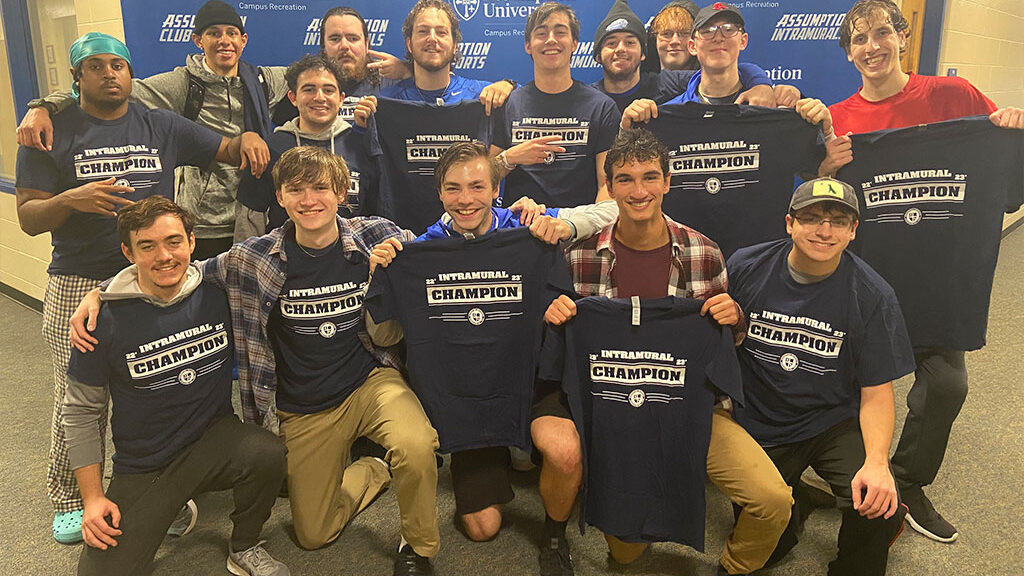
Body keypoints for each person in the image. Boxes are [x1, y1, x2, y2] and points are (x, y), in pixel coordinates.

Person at [73, 146, 441, 575]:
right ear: (280, 197)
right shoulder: (251, 259)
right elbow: (176, 269)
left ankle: (418, 546)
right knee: (314, 533)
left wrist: (401, 257)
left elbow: (440, 251)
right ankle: (374, 469)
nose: (309, 200)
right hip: (304, 405)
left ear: (341, 192)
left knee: (416, 444)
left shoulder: (376, 235)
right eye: (296, 190)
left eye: (320, 188)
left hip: (371, 381)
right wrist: (100, 293)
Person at [14, 32, 262, 545]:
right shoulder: (49, 131)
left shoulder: (159, 123)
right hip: (80, 276)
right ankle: (70, 498)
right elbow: (28, 218)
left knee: (159, 381)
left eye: (118, 65)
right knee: (78, 394)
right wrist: (71, 200)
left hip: (158, 275)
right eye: (97, 66)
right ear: (77, 76)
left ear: (130, 72)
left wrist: (251, 139)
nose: (110, 74)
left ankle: (162, 485)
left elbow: (225, 147)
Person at [807, 0, 1024, 544]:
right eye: (860, 39)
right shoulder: (838, 118)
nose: (873, 46)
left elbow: (1005, 178)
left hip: (940, 278)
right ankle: (847, 470)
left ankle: (907, 481)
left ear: (902, 36)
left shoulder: (955, 95)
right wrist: (825, 167)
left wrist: (1012, 130)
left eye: (883, 32)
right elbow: (821, 203)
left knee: (947, 385)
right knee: (836, 377)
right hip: (866, 278)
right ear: (848, 52)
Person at [540, 128, 792, 576]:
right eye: (625, 179)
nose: (639, 191)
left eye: (650, 177)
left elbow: (723, 344)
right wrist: (554, 315)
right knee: (626, 553)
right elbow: (563, 348)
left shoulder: (704, 252)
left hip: (690, 408)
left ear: (668, 181)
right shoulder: (578, 258)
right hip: (613, 412)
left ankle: (734, 567)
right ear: (609, 186)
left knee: (772, 499)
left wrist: (735, 318)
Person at [367, 141, 615, 543]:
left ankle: (551, 530)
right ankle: (499, 452)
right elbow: (383, 333)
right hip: (470, 394)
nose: (465, 199)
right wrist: (382, 271)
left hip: (529, 378)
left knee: (565, 454)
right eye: (453, 188)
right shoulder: (423, 250)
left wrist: (564, 227)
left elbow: (613, 210)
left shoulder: (527, 227)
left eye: (477, 187)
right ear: (439, 193)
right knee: (482, 529)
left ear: (496, 189)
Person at [64, 196, 288, 576]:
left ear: (191, 242)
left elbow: (285, 251)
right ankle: (172, 504)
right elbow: (81, 411)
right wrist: (93, 498)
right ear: (128, 253)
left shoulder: (219, 293)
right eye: (147, 246)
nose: (164, 256)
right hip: (146, 463)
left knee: (268, 452)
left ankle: (245, 545)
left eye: (173, 242)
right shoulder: (102, 321)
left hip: (215, 439)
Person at [726, 177, 914, 575]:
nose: (824, 231)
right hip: (760, 420)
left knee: (878, 503)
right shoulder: (745, 266)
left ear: (853, 230)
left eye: (838, 221)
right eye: (811, 218)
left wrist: (877, 462)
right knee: (767, 548)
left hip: (830, 420)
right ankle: (797, 503)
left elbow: (877, 392)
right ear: (789, 223)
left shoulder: (873, 294)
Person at [19, 0, 277, 256]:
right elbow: (100, 93)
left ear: (243, 40)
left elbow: (304, 80)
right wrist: (43, 106)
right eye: (214, 33)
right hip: (199, 224)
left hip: (245, 219)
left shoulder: (262, 81)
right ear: (198, 40)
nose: (224, 41)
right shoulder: (179, 84)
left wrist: (247, 138)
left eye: (231, 33)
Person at [490, 2, 621, 211]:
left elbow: (607, 186)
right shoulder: (508, 104)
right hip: (520, 225)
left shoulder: (601, 107)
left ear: (574, 43)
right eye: (541, 33)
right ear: (528, 45)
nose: (551, 39)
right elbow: (483, 179)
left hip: (578, 227)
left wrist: (582, 225)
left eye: (560, 32)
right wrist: (510, 158)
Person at [237, 54, 374, 230]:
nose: (319, 97)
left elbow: (376, 211)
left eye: (328, 90)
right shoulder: (270, 148)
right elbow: (250, 219)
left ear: (341, 99)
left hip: (352, 247)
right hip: (284, 247)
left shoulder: (362, 146)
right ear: (293, 98)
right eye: (309, 89)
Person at [620, 2, 802, 128]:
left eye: (728, 30)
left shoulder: (763, 99)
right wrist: (627, 130)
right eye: (708, 31)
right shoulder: (659, 99)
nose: (718, 37)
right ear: (693, 46)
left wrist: (764, 86)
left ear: (743, 40)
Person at [352, 0, 514, 127]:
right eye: (423, 31)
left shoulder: (481, 95)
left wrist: (509, 86)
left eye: (441, 32)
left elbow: (524, 100)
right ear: (409, 44)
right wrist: (361, 126)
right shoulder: (385, 102)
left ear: (454, 45)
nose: (432, 38)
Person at [271, 5, 412, 125]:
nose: (344, 45)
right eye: (335, 39)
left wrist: (409, 71)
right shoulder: (303, 83)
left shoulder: (391, 80)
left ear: (366, 44)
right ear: (323, 46)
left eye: (353, 38)